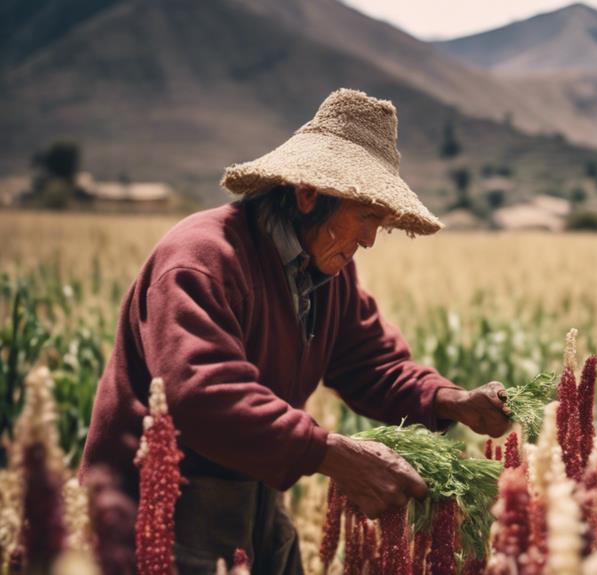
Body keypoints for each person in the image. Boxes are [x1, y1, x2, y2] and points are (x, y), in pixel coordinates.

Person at [79, 89, 511, 574]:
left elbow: (372, 363)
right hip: (163, 503)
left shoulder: (327, 271)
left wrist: (449, 399)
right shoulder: (201, 262)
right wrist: (329, 452)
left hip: (256, 487)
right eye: (366, 215)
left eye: (381, 222)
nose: (370, 239)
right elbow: (202, 395)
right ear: (308, 195)